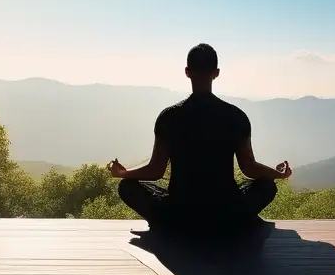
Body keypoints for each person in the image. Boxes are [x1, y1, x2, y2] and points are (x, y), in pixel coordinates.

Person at [107, 43, 292, 235]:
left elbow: (155, 170)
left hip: (179, 213)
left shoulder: (169, 117)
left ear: (187, 72)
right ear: (216, 73)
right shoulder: (236, 117)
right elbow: (249, 168)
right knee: (266, 186)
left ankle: (170, 225)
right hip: (226, 210)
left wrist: (124, 173)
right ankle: (236, 221)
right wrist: (278, 174)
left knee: (127, 187)